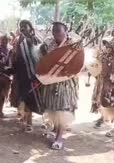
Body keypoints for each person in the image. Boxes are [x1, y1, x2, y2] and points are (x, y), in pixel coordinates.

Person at [39, 22, 80, 150]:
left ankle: (59, 137)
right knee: (53, 107)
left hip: (66, 83)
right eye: (53, 30)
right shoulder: (48, 44)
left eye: (58, 30)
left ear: (66, 30)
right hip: (51, 82)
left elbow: (78, 63)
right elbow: (43, 61)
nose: (55, 33)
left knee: (62, 108)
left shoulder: (73, 44)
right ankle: (55, 128)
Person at [10, 20, 43, 133]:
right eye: (21, 26)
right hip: (21, 74)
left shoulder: (36, 39)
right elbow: (15, 56)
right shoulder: (18, 41)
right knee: (23, 98)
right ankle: (25, 118)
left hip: (34, 74)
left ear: (30, 27)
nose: (23, 28)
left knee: (32, 98)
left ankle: (30, 122)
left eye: (25, 26)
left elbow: (41, 56)